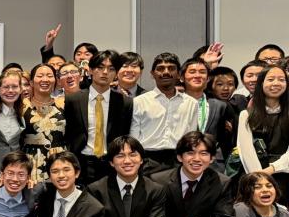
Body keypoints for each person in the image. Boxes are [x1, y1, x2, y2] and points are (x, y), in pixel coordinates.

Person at [63, 50, 133, 184]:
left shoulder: (125, 102)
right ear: (90, 70)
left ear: (116, 73)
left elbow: (126, 134)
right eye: (100, 67)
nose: (105, 72)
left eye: (111, 69)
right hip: (81, 161)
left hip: (111, 163)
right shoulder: (73, 99)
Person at [131, 53, 199, 175]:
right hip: (148, 161)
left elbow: (191, 138)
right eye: (160, 68)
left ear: (179, 74)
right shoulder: (139, 101)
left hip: (179, 161)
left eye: (171, 68)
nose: (166, 72)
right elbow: (134, 138)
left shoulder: (191, 103)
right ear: (152, 74)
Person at [236, 66, 289, 204]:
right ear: (261, 84)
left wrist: (272, 169)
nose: (276, 83)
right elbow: (245, 151)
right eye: (270, 79)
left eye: (281, 79)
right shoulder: (246, 115)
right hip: (254, 178)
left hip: (285, 174)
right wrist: (259, 178)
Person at [181, 58, 234, 167]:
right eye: (192, 72)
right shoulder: (174, 104)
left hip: (213, 164)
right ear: (181, 77)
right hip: (181, 161)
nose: (197, 75)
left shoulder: (220, 106)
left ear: (208, 78)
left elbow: (225, 139)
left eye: (202, 72)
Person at [23, 64, 67, 182]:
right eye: (40, 76)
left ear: (55, 81)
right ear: (31, 82)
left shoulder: (63, 104)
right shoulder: (22, 106)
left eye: (49, 76)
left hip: (59, 163)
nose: (45, 79)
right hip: (30, 164)